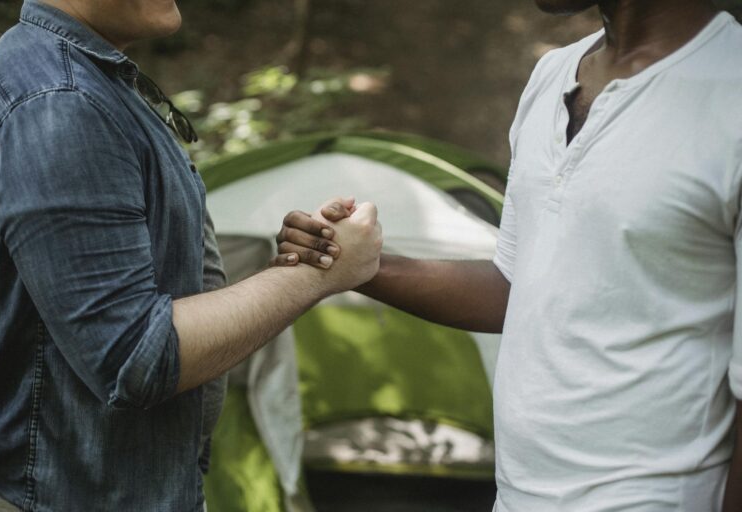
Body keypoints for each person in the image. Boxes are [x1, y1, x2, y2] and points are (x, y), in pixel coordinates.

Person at [275, 0, 742, 510]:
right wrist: (364, 267)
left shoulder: (729, 93)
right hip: (517, 495)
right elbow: (515, 286)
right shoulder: (553, 74)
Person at [0, 0, 382, 510]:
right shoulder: (60, 101)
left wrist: (292, 268)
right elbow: (132, 357)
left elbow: (143, 301)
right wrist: (319, 278)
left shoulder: (83, 78)